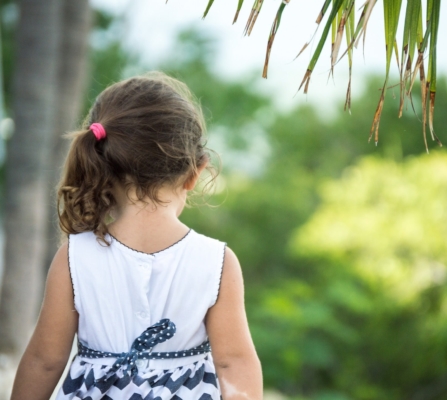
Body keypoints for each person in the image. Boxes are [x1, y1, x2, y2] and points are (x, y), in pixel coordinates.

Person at [10, 72, 263, 400]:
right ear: (194, 173)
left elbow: (44, 361)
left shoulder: (74, 256)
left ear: (102, 164)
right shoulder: (217, 262)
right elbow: (235, 363)